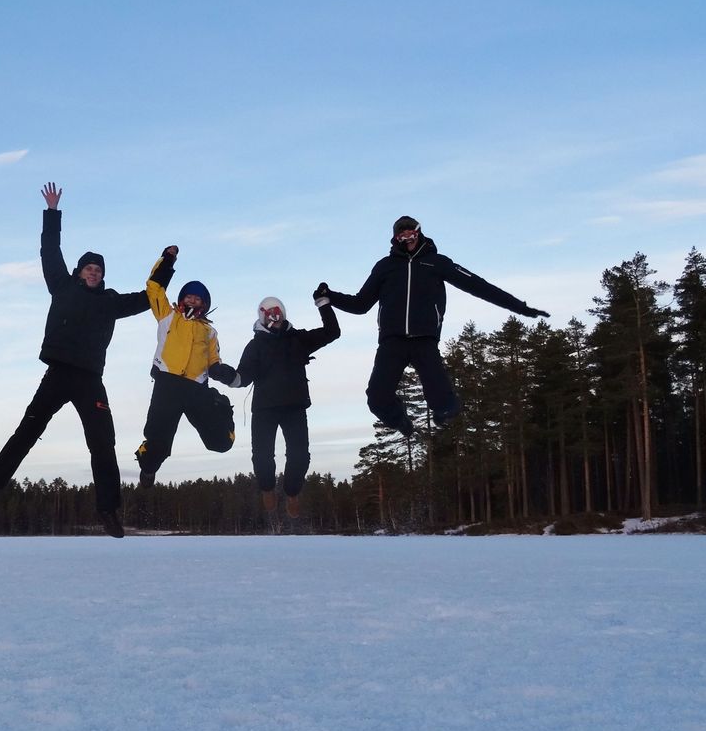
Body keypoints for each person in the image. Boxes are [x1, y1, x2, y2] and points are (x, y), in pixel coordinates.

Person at [0, 183, 150, 538]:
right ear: (79, 271)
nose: (94, 272)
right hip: (58, 373)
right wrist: (52, 213)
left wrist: (168, 266)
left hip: (90, 380)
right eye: (89, 268)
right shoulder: (62, 286)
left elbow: (148, 298)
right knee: (28, 429)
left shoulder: (110, 302)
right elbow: (50, 251)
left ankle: (109, 511)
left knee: (103, 442)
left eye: (99, 269)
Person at [321, 215, 549, 437]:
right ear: (395, 239)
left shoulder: (437, 263)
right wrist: (330, 296)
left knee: (445, 403)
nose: (407, 238)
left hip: (425, 341)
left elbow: (479, 286)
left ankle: (444, 416)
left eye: (411, 233)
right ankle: (401, 421)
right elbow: (360, 304)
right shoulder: (385, 267)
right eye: (402, 235)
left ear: (419, 234)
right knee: (377, 400)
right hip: (392, 343)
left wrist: (521, 308)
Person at [225, 293, 340, 520]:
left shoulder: (297, 338)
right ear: (262, 317)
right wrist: (226, 375)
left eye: (277, 312)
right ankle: (267, 488)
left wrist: (324, 304)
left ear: (283, 314)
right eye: (269, 314)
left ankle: (292, 493)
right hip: (264, 409)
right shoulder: (255, 346)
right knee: (262, 457)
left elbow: (332, 332)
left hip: (294, 407)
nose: (274, 317)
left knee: (300, 457)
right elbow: (242, 378)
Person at [133, 245, 237, 488]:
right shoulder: (168, 316)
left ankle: (222, 412)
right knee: (157, 446)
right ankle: (148, 470)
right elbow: (154, 287)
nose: (192, 299)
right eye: (188, 295)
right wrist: (167, 260)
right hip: (167, 385)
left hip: (196, 389)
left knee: (220, 443)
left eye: (197, 297)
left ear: (205, 303)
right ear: (181, 299)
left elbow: (214, 362)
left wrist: (222, 372)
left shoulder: (209, 332)